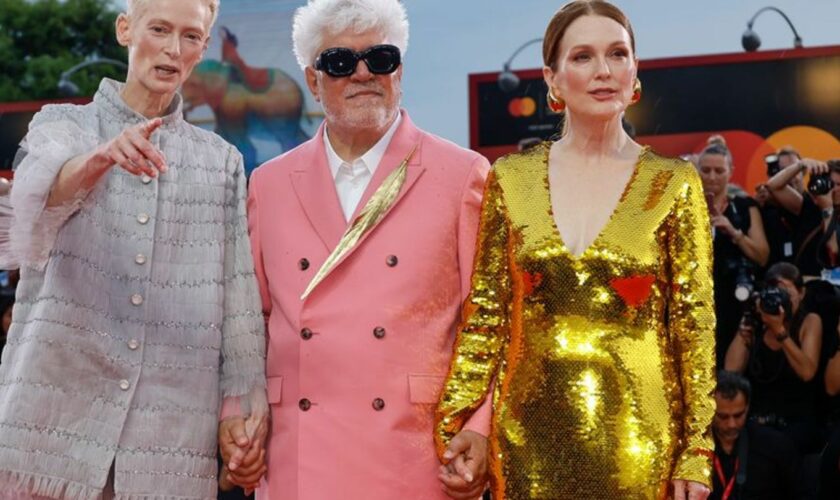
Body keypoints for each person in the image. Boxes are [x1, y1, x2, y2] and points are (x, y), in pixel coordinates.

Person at [434, 1, 716, 499]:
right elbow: (486, 318)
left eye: (618, 54)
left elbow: (694, 329)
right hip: (525, 442)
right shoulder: (510, 180)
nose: (604, 71)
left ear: (635, 72)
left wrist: (695, 448)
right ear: (553, 77)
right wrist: (459, 421)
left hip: (639, 441)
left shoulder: (673, 184)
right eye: (583, 57)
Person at [0, 0, 267, 498]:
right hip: (48, 436)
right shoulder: (61, 124)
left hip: (167, 442)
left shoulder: (222, 162)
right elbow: (36, 203)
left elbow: (238, 299)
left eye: (190, 36)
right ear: (126, 29)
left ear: (204, 48)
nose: (172, 48)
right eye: (159, 29)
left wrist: (245, 408)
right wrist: (97, 159)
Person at [234, 0, 492, 498]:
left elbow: (488, 323)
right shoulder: (267, 185)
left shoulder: (463, 176)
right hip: (297, 452)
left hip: (418, 452)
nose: (363, 74)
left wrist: (479, 427)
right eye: (339, 62)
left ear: (400, 70)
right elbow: (247, 324)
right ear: (312, 81)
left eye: (380, 58)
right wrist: (237, 418)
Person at [724, 263, 824, 453]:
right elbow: (731, 372)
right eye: (775, 293)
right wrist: (746, 326)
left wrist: (779, 330)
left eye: (786, 292)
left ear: (801, 293)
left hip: (795, 424)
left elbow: (807, 372)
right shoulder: (758, 322)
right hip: (758, 421)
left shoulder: (810, 321)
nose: (780, 300)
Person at [696, 141, 769, 366]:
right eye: (706, 170)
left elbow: (762, 256)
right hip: (696, 305)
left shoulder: (745, 207)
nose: (712, 176)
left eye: (719, 170)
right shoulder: (684, 207)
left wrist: (734, 233)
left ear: (731, 172)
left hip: (735, 301)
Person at [710, 370, 798, 500]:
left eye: (738, 415)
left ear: (747, 407)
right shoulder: (693, 450)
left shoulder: (775, 446)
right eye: (723, 416)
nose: (731, 424)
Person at [766, 157, 840, 278]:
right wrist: (800, 165)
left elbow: (833, 252)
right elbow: (773, 186)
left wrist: (828, 210)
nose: (834, 189)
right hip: (807, 289)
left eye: (839, 184)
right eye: (831, 183)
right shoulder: (809, 206)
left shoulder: (826, 208)